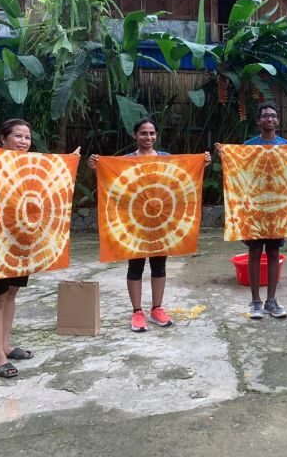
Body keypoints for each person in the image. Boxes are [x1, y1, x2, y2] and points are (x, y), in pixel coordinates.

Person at [0, 119, 81, 378]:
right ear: (3, 138)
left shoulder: (30, 165)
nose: (24, 141)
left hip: (23, 241)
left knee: (11, 295)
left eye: (27, 137)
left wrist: (68, 164)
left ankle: (5, 345)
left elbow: (49, 188)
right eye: (18, 136)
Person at [89, 118, 211, 333]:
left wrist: (202, 162)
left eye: (152, 133)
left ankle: (157, 308)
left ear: (156, 135)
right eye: (143, 133)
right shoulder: (126, 160)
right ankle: (137, 312)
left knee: (159, 266)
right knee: (135, 267)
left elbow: (179, 182)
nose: (148, 137)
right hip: (134, 223)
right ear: (135, 135)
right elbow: (115, 185)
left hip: (161, 223)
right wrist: (96, 167)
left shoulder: (166, 158)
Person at [215, 101, 287, 320]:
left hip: (278, 209)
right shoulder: (249, 145)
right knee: (254, 253)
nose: (270, 119)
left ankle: (271, 301)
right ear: (258, 120)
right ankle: (255, 302)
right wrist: (226, 153)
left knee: (273, 253)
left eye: (273, 116)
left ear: (278, 120)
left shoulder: (286, 146)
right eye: (265, 116)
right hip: (254, 208)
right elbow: (241, 170)